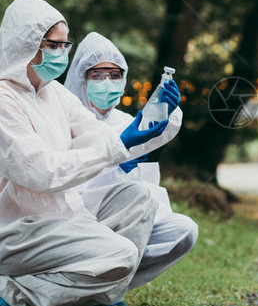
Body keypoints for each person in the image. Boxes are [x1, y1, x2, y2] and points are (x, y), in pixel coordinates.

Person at [0, 0, 174, 306]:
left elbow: (99, 135)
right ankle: (11, 289)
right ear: (26, 43)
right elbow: (42, 172)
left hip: (59, 217)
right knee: (123, 255)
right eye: (53, 45)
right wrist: (118, 144)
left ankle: (89, 301)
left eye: (64, 45)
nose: (62, 53)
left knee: (140, 198)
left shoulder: (52, 93)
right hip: (13, 229)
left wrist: (154, 116)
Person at [64, 32, 198, 289]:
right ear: (82, 78)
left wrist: (166, 113)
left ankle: (110, 286)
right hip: (82, 220)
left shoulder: (127, 122)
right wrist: (115, 164)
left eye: (114, 75)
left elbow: (146, 186)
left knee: (184, 230)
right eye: (97, 75)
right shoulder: (68, 119)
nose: (107, 82)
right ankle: (93, 294)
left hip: (127, 218)